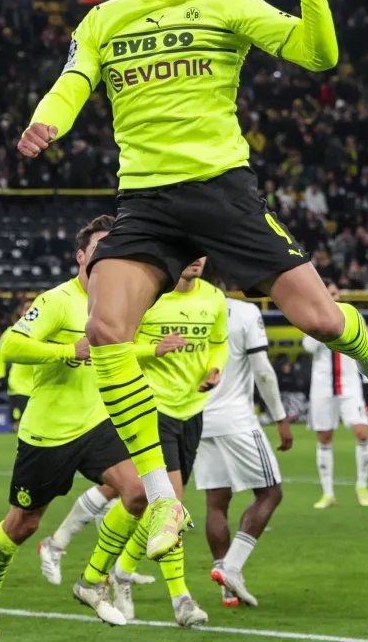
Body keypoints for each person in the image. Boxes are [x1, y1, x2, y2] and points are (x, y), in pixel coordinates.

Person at [16, 0, 368, 562]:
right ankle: (163, 494)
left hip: (221, 191)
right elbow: (73, 81)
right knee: (105, 330)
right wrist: (47, 122)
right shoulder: (104, 22)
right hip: (146, 201)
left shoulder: (227, 1)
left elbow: (318, 55)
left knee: (322, 321)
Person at [0, 216, 150, 640]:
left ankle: (90, 580)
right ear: (81, 256)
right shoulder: (58, 300)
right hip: (48, 432)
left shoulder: (118, 300)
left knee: (138, 491)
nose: (106, 254)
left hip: (98, 423)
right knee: (23, 525)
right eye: (98, 247)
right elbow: (10, 344)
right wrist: (68, 350)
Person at [106, 256, 227, 627]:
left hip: (192, 410)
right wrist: (152, 350)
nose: (196, 260)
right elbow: (119, 346)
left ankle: (120, 572)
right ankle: (182, 600)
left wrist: (215, 369)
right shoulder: (148, 297)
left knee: (158, 507)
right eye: (188, 253)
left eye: (201, 254)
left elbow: (219, 343)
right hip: (152, 407)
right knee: (170, 505)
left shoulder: (214, 299)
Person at [195, 282, 293, 608]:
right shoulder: (244, 311)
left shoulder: (185, 312)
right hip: (236, 419)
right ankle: (233, 569)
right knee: (270, 492)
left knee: (216, 501)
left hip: (197, 418)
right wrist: (279, 417)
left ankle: (225, 582)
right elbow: (263, 372)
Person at [303, 281, 368, 508]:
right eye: (326, 293)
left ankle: (362, 485)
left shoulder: (353, 316)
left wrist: (367, 381)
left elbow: (365, 347)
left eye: (333, 293)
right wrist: (322, 323)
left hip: (350, 384)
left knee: (362, 432)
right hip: (323, 387)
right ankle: (328, 493)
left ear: (339, 294)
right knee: (324, 438)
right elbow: (308, 346)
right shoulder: (311, 317)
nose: (331, 297)